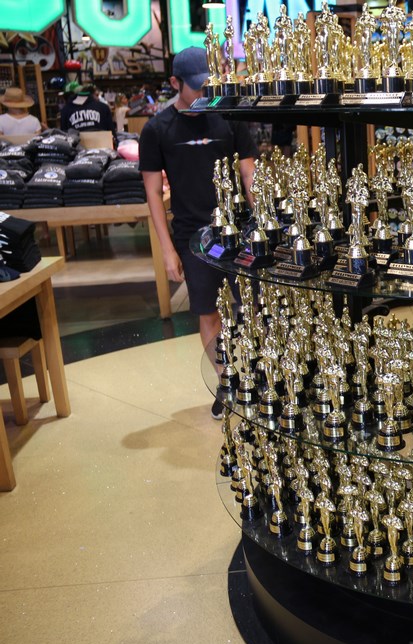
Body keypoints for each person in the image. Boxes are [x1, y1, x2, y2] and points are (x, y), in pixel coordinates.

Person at [139, 47, 258, 419]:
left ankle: (260, 376)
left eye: (207, 85)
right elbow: (153, 194)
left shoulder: (229, 117)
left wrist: (265, 223)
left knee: (256, 307)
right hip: (193, 235)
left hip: (239, 231)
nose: (203, 93)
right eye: (196, 87)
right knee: (208, 312)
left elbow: (249, 174)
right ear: (175, 83)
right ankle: (226, 381)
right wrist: (167, 250)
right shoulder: (157, 129)